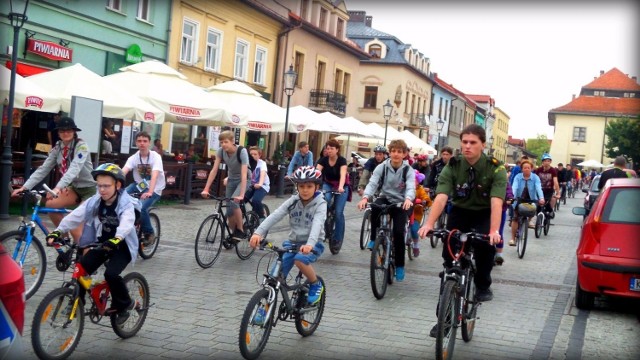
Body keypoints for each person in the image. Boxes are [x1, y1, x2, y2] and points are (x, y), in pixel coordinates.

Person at [418, 124, 506, 337]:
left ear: (482, 145)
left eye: (472, 143)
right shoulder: (453, 165)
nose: (467, 146)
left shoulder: (496, 168)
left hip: (484, 213)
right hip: (460, 212)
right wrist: (429, 224)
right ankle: (444, 321)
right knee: (449, 263)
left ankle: (483, 284)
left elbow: (496, 201)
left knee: (486, 246)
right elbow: (441, 196)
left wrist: (494, 230)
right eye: (464, 142)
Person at [45, 163, 138, 324]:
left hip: (122, 245)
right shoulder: (95, 201)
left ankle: (125, 304)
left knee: (111, 274)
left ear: (118, 185)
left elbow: (127, 222)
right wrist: (58, 231)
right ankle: (77, 302)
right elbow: (76, 215)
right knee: (81, 268)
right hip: (103, 243)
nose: (102, 190)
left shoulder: (125, 203)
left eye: (106, 186)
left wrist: (117, 238)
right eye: (99, 185)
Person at [249, 166, 326, 305]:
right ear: (297, 186)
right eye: (302, 186)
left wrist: (309, 244)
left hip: (314, 244)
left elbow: (317, 224)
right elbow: (276, 215)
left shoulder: (320, 204)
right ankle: (263, 309)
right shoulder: (294, 201)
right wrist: (258, 233)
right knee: (274, 277)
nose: (305, 190)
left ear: (317, 186)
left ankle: (315, 284)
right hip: (293, 243)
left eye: (309, 186)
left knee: (300, 260)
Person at [12, 117, 96, 241]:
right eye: (62, 131)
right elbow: (44, 168)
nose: (65, 133)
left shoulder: (81, 146)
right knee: (51, 205)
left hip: (90, 189)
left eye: (69, 130)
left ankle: (83, 256)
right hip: (74, 188)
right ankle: (64, 239)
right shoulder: (58, 147)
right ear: (58, 133)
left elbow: (74, 169)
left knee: (74, 223)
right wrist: (25, 187)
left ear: (74, 132)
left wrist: (58, 188)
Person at [358, 139, 416, 281]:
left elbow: (410, 186)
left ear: (404, 154)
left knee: (398, 233)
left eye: (399, 152)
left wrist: (408, 199)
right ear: (389, 153)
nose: (396, 154)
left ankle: (400, 266)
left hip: (401, 202)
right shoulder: (382, 167)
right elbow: (372, 183)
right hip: (385, 197)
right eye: (393, 151)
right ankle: (373, 238)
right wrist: (365, 197)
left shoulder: (408, 170)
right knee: (375, 208)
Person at [201, 130, 250, 241]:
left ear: (232, 141)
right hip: (232, 179)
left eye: (225, 142)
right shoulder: (221, 151)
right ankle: (234, 235)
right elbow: (214, 170)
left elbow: (244, 174)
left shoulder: (242, 151)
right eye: (221, 142)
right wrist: (206, 189)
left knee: (235, 203)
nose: (223, 144)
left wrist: (241, 194)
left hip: (245, 179)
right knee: (228, 212)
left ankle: (241, 231)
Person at [122, 131, 165, 245]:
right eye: (139, 141)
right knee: (121, 195)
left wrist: (150, 192)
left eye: (145, 141)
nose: (142, 143)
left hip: (155, 188)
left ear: (149, 143)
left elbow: (155, 175)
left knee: (141, 207)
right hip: (141, 185)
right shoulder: (134, 158)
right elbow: (123, 172)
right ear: (136, 143)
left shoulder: (155, 157)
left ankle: (149, 233)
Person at [316, 139, 350, 250]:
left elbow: (343, 175)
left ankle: (337, 238)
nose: (329, 150)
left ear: (337, 150)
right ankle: (326, 223)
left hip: (342, 187)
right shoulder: (324, 160)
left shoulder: (342, 160)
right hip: (328, 184)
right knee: (324, 200)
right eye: (327, 148)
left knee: (339, 212)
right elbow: (316, 173)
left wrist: (340, 187)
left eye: (331, 148)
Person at [508, 159, 544, 245]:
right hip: (519, 199)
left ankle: (528, 221)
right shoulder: (518, 177)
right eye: (524, 168)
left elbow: (538, 188)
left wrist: (541, 198)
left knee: (533, 210)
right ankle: (512, 239)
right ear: (522, 169)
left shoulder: (535, 177)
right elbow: (514, 187)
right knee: (515, 218)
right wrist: (511, 197)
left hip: (531, 200)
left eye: (528, 167)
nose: (526, 169)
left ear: (531, 168)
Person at [409, 171, 432, 258]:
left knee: (414, 230)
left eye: (414, 180)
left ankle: (416, 245)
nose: (412, 182)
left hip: (416, 214)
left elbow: (425, 197)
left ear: (418, 181)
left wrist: (424, 201)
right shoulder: (404, 188)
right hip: (404, 212)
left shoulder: (420, 189)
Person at [245, 146, 270, 221]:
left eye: (255, 154)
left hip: (262, 186)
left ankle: (262, 217)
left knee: (256, 200)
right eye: (251, 154)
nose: (253, 156)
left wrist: (260, 183)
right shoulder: (248, 164)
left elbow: (263, 173)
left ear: (259, 155)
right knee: (241, 201)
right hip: (253, 185)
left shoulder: (262, 163)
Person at [495, 171, 514, 265]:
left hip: (501, 210)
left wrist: (509, 200)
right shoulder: (490, 183)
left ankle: (499, 254)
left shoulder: (506, 185)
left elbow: (510, 194)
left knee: (499, 232)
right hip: (487, 211)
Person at [534, 153, 560, 218]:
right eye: (545, 161)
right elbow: (535, 179)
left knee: (547, 202)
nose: (546, 162)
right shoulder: (539, 170)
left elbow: (555, 182)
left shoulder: (552, 170)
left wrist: (558, 193)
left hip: (549, 190)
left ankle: (550, 211)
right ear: (542, 162)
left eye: (548, 161)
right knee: (538, 204)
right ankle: (539, 221)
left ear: (550, 162)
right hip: (539, 190)